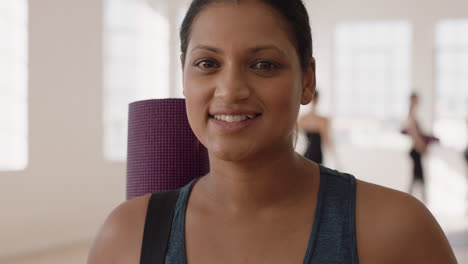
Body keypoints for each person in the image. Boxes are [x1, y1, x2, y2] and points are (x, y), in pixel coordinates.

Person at [88, 0, 457, 263]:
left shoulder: (396, 231)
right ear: (184, 75)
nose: (230, 89)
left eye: (264, 64)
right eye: (207, 63)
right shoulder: (126, 236)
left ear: (307, 80)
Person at [403, 93, 438, 203]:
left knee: (417, 179)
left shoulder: (412, 115)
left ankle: (413, 202)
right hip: (416, 151)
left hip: (416, 151)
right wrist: (423, 148)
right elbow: (415, 136)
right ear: (412, 100)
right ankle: (416, 203)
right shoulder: (410, 116)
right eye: (416, 99)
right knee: (419, 179)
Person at [298, 91, 339, 167]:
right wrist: (336, 161)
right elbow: (327, 141)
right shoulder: (322, 120)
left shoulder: (302, 119)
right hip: (317, 156)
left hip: (306, 155)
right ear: (318, 99)